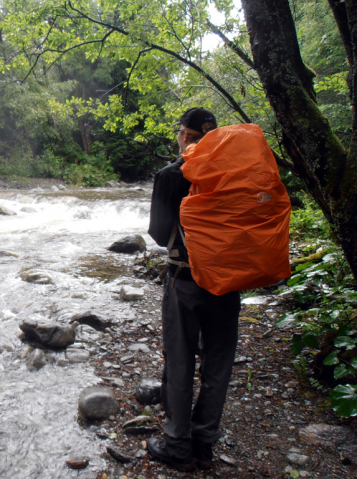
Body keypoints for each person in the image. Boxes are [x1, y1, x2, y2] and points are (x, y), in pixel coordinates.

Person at [146, 108, 241, 471]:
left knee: (181, 361)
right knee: (218, 364)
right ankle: (204, 444)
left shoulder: (172, 174)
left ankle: (177, 446)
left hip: (185, 279)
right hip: (229, 281)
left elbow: (158, 234)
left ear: (184, 135)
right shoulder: (237, 171)